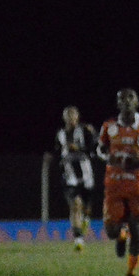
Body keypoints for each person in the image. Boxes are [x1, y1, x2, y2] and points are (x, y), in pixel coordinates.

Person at [97, 88, 139, 276]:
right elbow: (100, 149)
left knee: (137, 226)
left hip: (137, 181)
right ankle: (120, 236)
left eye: (130, 98)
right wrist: (108, 158)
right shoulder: (108, 126)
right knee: (111, 230)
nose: (126, 101)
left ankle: (131, 269)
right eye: (122, 98)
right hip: (114, 182)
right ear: (118, 103)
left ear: (137, 102)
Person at [54, 106, 97, 251]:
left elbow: (94, 148)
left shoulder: (85, 130)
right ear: (64, 118)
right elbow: (57, 152)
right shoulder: (60, 134)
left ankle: (86, 219)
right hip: (69, 176)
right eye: (68, 115)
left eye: (73, 115)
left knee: (87, 208)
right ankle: (78, 239)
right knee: (75, 205)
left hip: (86, 175)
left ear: (77, 117)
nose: (71, 118)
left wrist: (78, 148)